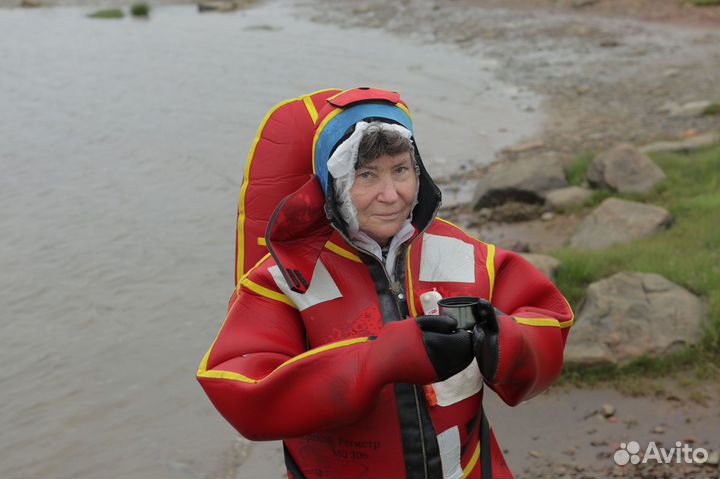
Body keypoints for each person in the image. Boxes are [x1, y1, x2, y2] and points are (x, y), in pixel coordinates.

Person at [197, 87, 574, 478]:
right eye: (366, 176)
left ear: (419, 172)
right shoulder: (287, 279)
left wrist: (509, 343)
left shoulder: (466, 254)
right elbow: (245, 396)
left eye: (400, 170)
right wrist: (377, 360)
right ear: (333, 185)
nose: (390, 195)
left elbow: (549, 319)